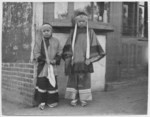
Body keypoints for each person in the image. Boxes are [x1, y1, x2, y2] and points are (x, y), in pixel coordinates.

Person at [62, 11, 105, 107]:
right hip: (74, 60)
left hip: (85, 60)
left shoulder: (90, 32)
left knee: (84, 79)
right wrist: (70, 58)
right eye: (79, 21)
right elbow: (68, 46)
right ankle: (74, 97)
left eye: (83, 21)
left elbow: (95, 45)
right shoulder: (73, 32)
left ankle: (83, 99)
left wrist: (90, 60)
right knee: (74, 79)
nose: (81, 23)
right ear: (76, 22)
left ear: (87, 22)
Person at [33, 23, 62, 110]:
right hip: (43, 66)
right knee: (42, 83)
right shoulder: (39, 41)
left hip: (52, 66)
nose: (46, 32)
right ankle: (42, 101)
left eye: (48, 30)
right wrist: (45, 59)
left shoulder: (56, 41)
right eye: (44, 31)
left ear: (51, 31)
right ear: (42, 32)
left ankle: (51, 101)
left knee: (52, 83)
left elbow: (60, 52)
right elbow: (36, 53)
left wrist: (55, 60)